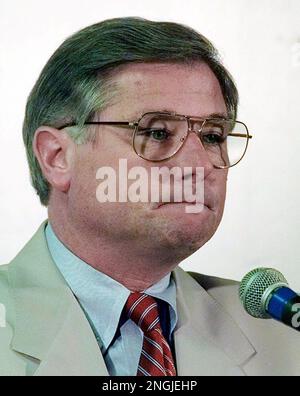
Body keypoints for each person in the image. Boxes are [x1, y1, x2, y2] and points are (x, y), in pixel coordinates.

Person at [0, 17, 299, 376]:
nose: (200, 164)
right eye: (157, 133)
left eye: (213, 136)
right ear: (57, 157)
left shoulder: (283, 334)